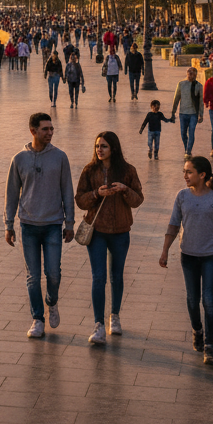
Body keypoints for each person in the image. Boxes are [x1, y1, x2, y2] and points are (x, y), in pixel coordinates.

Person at [159, 156, 213, 366]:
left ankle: (209, 346)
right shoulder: (182, 196)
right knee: (193, 300)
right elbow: (174, 225)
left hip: (211, 256)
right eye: (184, 171)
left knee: (209, 299)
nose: (185, 176)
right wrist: (165, 250)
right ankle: (197, 330)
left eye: (189, 172)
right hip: (189, 255)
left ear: (202, 175)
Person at [4, 113, 75, 338]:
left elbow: (67, 190)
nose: (50, 133)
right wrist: (8, 224)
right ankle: (37, 319)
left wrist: (70, 222)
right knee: (33, 277)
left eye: (51, 129)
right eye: (45, 129)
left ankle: (51, 301)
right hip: (28, 226)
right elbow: (12, 194)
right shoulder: (19, 159)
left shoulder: (60, 157)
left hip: (53, 224)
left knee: (53, 273)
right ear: (33, 131)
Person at [75, 131, 144, 345]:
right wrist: (96, 194)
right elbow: (80, 200)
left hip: (121, 231)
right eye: (97, 146)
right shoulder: (90, 170)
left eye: (104, 146)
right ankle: (99, 325)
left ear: (113, 148)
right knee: (98, 277)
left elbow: (138, 200)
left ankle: (114, 316)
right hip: (96, 231)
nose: (99, 150)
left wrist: (124, 189)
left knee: (117, 276)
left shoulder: (127, 171)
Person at [170, 66, 204, 158]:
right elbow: (176, 98)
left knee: (191, 132)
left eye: (192, 72)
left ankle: (188, 151)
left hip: (193, 113)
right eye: (188, 72)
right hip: (183, 113)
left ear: (195, 75)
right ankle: (186, 149)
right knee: (183, 133)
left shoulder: (199, 86)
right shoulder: (181, 84)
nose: (189, 74)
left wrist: (201, 114)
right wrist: (173, 112)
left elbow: (201, 101)